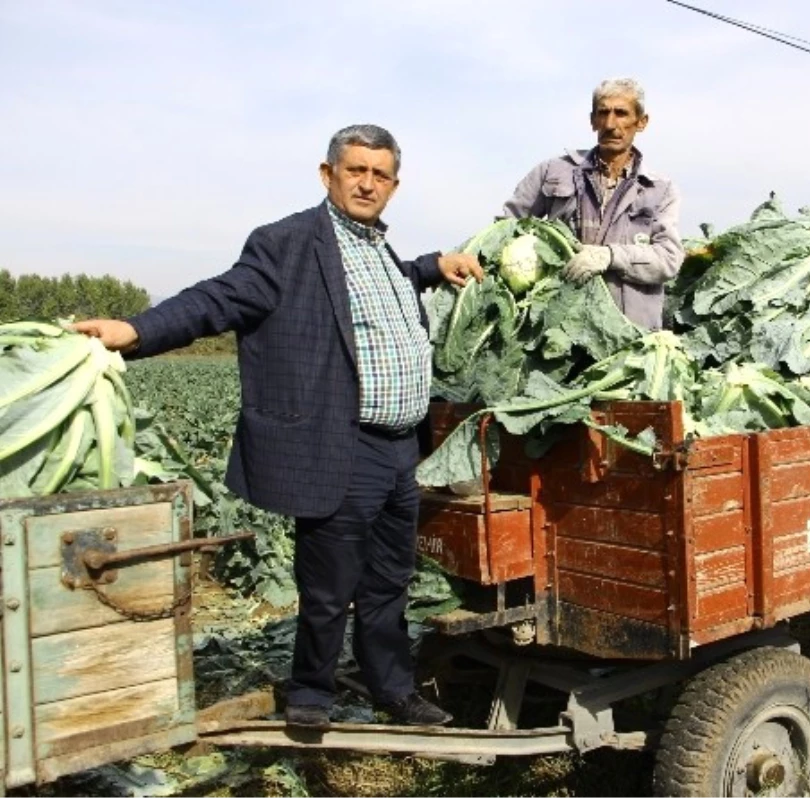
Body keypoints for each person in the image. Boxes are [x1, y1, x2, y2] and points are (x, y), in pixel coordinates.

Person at [72, 124, 482, 732]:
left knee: (390, 581)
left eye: (380, 174)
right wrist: (137, 331)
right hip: (343, 445)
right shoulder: (287, 245)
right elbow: (219, 298)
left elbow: (392, 282)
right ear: (328, 175)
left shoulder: (382, 251)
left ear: (394, 186)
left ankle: (393, 687)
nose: (367, 183)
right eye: (356, 171)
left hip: (403, 452)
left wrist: (430, 266)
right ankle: (312, 691)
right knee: (327, 586)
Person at [501, 77, 684, 330]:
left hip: (628, 334)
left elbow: (668, 259)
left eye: (621, 113)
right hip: (557, 330)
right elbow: (505, 230)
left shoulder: (659, 190)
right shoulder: (553, 171)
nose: (610, 124)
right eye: (603, 113)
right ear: (592, 121)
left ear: (641, 122)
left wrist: (610, 256)